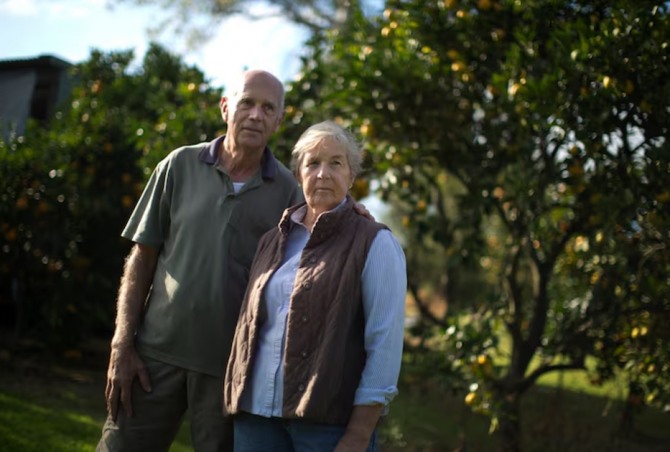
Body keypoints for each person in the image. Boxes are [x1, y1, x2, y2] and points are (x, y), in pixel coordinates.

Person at [96, 70, 303, 451]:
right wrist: (121, 346)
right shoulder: (179, 165)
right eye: (247, 103)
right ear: (226, 108)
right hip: (152, 358)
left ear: (278, 120)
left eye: (267, 107)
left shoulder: (290, 192)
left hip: (231, 370)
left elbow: (293, 285)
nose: (256, 115)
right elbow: (141, 259)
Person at [224, 120, 407, 451]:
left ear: (352, 176)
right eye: (313, 163)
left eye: (336, 163)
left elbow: (385, 344)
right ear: (298, 175)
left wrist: (358, 434)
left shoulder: (375, 242)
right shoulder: (272, 240)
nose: (323, 173)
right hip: (255, 418)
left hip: (327, 427)